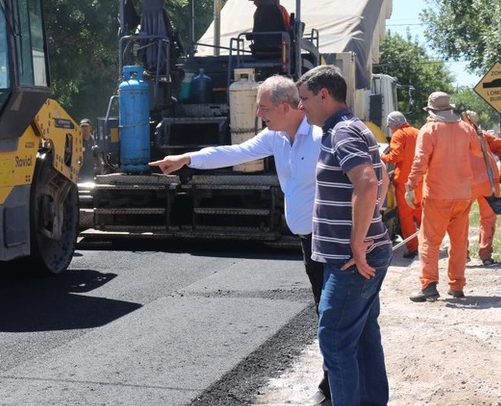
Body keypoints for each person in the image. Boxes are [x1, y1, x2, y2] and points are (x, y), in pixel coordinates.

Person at [149, 75, 331, 406]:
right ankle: (336, 382)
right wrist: (188, 159)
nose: (258, 113)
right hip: (308, 243)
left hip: (332, 241)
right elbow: (236, 151)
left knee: (333, 317)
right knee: (324, 312)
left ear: (285, 107)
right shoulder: (277, 136)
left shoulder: (321, 137)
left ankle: (335, 388)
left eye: (262, 107)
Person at [296, 64, 392, 406]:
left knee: (335, 339)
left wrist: (356, 240)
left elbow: (366, 183)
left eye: (305, 99)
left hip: (351, 260)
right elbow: (382, 178)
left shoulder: (342, 132)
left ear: (324, 95)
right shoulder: (354, 128)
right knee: (363, 337)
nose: (301, 106)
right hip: (360, 254)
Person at [406, 92, 481, 302]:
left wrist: (410, 185)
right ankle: (457, 286)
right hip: (463, 195)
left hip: (438, 195)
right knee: (459, 242)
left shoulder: (429, 129)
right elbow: (477, 151)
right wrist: (475, 127)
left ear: (430, 111)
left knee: (429, 241)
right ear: (450, 109)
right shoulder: (465, 128)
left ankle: (429, 284)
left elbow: (420, 162)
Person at [463, 110, 501, 266]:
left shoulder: (456, 135)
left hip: (466, 182)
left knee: (460, 218)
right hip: (489, 182)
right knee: (488, 219)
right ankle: (486, 255)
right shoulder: (482, 135)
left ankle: (462, 255)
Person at [381, 111, 422, 258]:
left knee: (406, 217)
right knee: (420, 213)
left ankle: (413, 248)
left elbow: (397, 156)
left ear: (394, 124)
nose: (389, 128)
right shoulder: (418, 132)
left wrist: (381, 156)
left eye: (389, 125)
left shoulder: (398, 134)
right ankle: (428, 244)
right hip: (420, 180)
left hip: (405, 182)